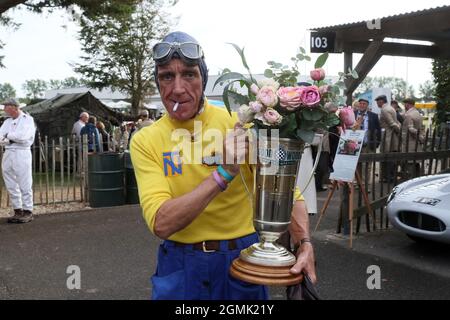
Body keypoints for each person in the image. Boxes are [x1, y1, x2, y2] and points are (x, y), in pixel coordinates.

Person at [130, 31, 316, 300]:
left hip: (242, 261)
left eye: (189, 74)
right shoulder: (145, 140)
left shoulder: (239, 122)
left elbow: (286, 191)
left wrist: (304, 243)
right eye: (167, 76)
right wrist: (224, 173)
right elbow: (162, 222)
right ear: (158, 83)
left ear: (203, 78)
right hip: (182, 265)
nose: (178, 88)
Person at [0, 98, 36, 223]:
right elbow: (0, 137)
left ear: (14, 107)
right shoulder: (7, 122)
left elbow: (23, 137)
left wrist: (7, 136)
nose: (4, 109)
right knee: (10, 182)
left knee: (24, 181)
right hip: (8, 152)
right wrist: (10, 138)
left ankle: (28, 211)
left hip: (21, 152)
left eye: (6, 106)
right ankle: (18, 210)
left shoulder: (27, 119)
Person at [352, 98, 381, 184]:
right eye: (360, 103)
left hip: (368, 144)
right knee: (356, 164)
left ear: (367, 105)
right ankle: (357, 182)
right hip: (355, 144)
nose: (362, 105)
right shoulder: (353, 114)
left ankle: (364, 184)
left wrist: (377, 143)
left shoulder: (373, 116)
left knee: (367, 165)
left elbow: (378, 130)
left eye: (364, 104)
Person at [377, 95, 401, 182]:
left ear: (381, 101)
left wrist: (399, 131)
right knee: (391, 157)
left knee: (386, 157)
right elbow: (397, 122)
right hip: (392, 135)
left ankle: (387, 177)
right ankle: (389, 176)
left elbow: (392, 123)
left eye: (377, 101)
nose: (377, 103)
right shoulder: (391, 108)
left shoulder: (384, 109)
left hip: (388, 136)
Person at [402, 98, 424, 178]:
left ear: (408, 104)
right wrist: (421, 137)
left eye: (405, 104)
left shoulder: (408, 115)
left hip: (409, 142)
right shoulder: (417, 113)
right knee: (416, 163)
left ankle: (410, 182)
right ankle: (417, 180)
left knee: (410, 164)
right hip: (416, 144)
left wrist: (419, 136)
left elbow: (411, 129)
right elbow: (421, 127)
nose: (404, 105)